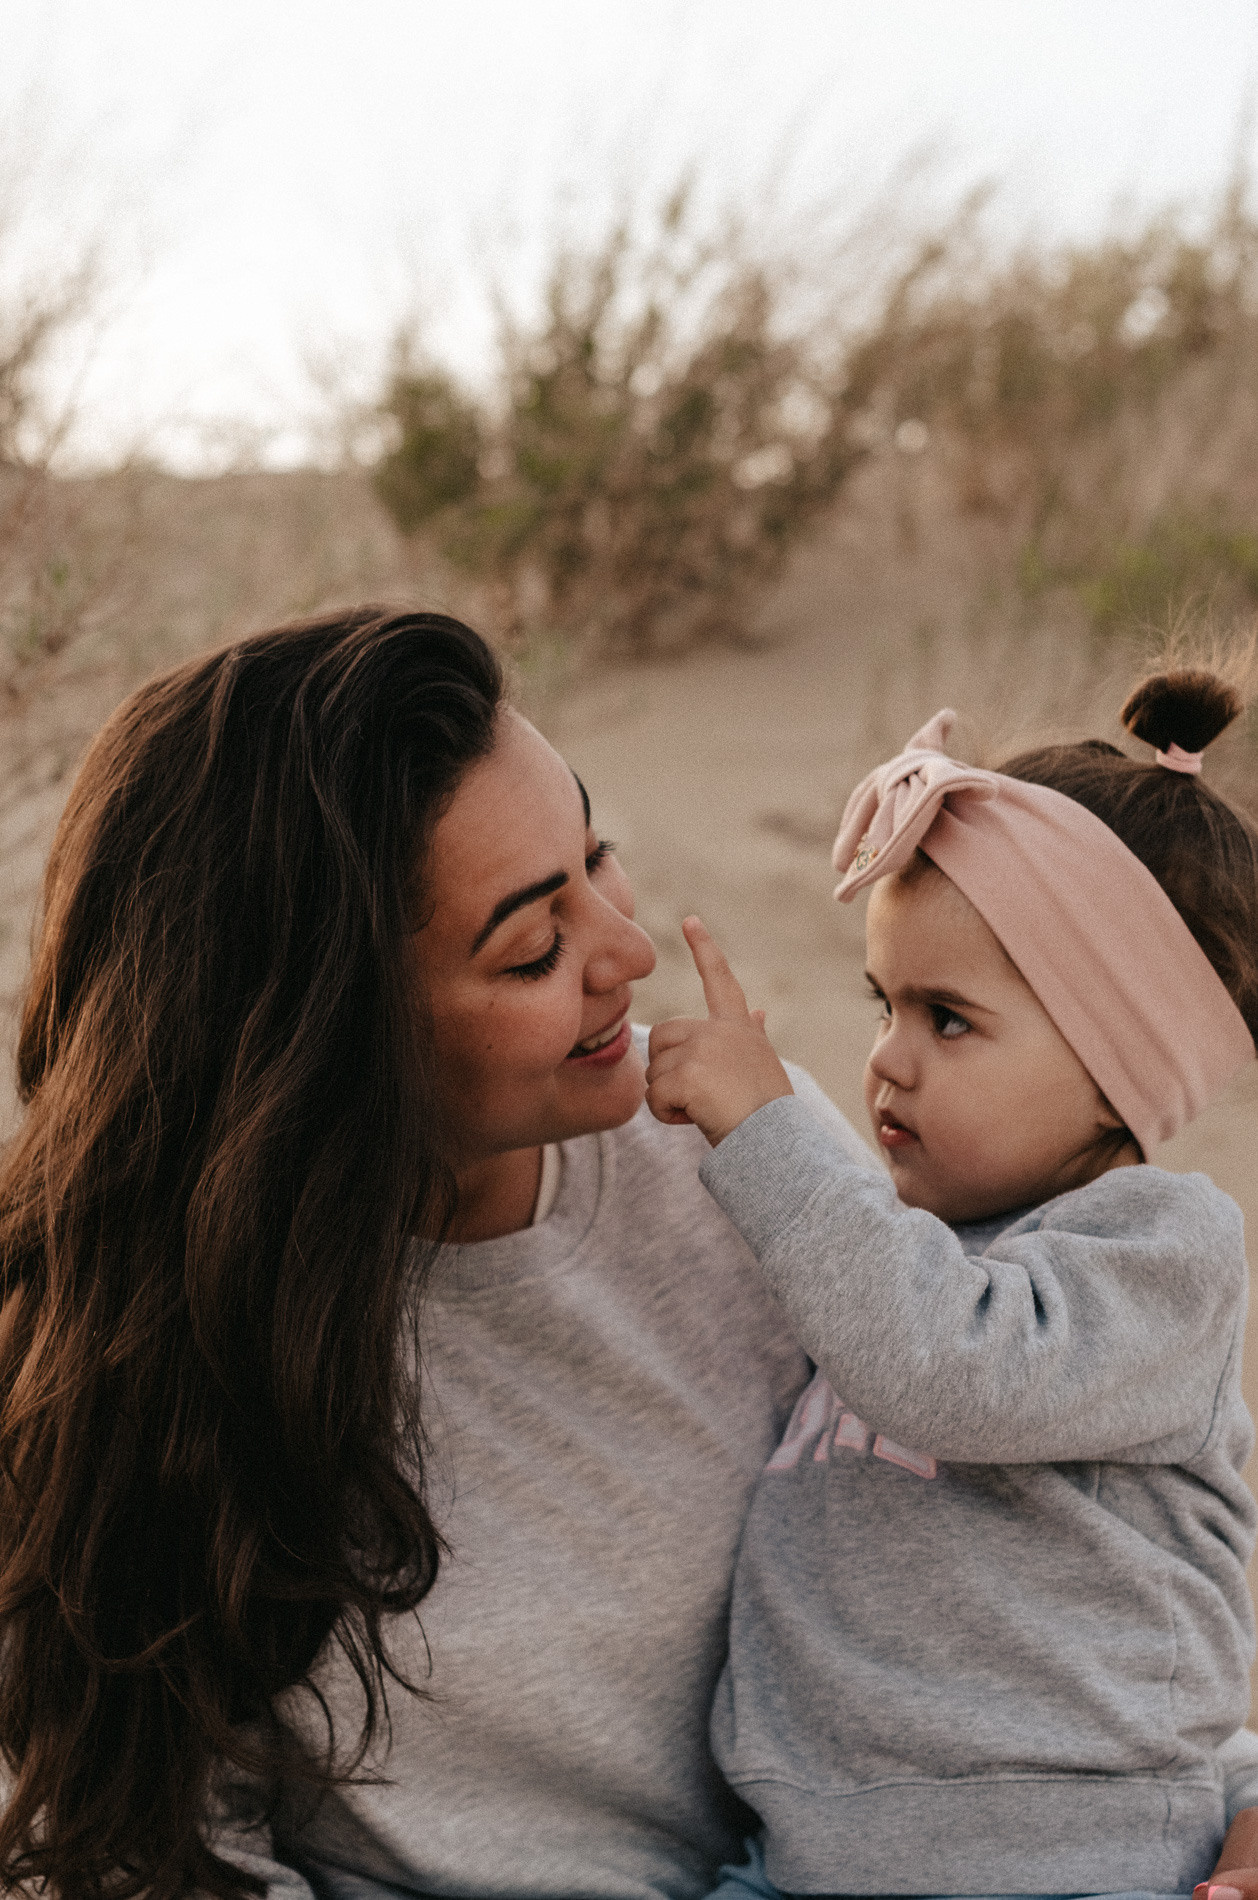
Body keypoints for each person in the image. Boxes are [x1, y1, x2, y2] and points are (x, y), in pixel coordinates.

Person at [0, 605, 869, 1900]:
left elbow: (1010, 1509)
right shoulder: (123, 1357)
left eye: (598, 854)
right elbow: (138, 1856)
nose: (627, 953)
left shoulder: (743, 1158)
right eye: (531, 950)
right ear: (317, 1043)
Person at [644, 669, 1258, 1900]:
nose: (885, 1061)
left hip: (1075, 1860)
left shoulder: (1160, 1249)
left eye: (949, 1019)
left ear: (1114, 1071)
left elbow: (948, 1364)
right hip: (806, 1860)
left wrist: (769, 1133)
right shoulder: (893, 1247)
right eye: (884, 1004)